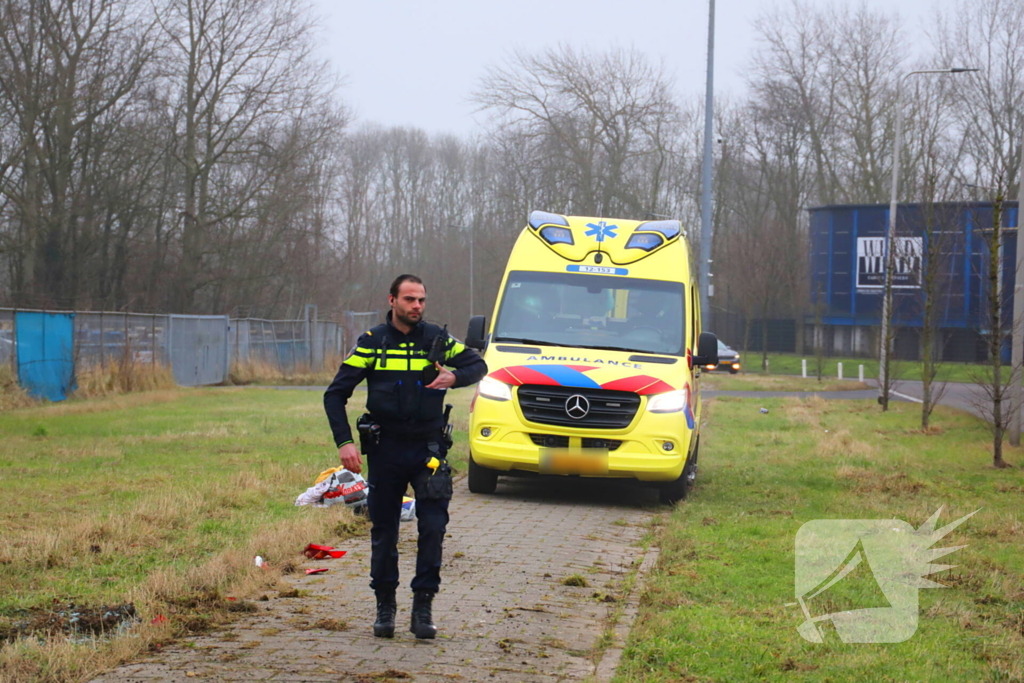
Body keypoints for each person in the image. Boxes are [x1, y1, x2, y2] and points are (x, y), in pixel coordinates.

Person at [323, 274, 487, 640]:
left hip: (428, 450)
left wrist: (455, 378)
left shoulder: (438, 341)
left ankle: (423, 605)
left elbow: (479, 365)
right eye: (410, 299)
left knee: (433, 528)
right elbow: (335, 394)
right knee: (384, 531)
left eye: (422, 300)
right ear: (392, 300)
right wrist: (345, 443)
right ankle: (385, 606)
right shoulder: (372, 343)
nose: (417, 306)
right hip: (386, 449)